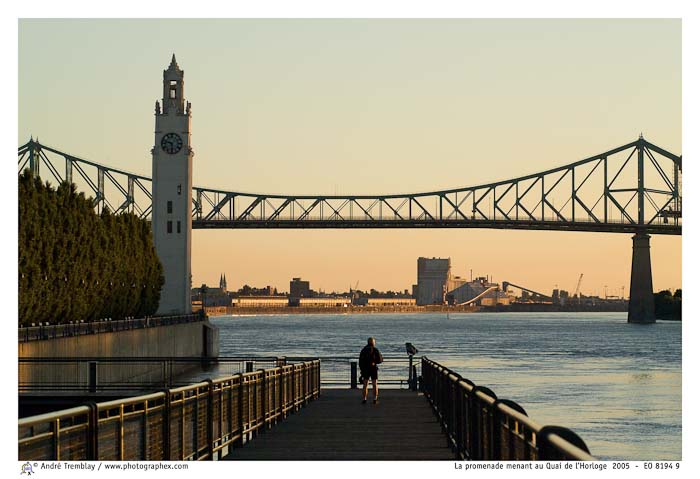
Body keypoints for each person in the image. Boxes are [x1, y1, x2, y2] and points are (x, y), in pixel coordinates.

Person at [359, 337, 383, 404]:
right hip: (373, 368)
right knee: (374, 384)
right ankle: (375, 399)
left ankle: (364, 399)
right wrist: (374, 362)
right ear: (373, 342)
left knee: (365, 384)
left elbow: (360, 361)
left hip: (365, 369)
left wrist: (361, 370)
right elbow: (380, 360)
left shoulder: (363, 350)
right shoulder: (375, 350)